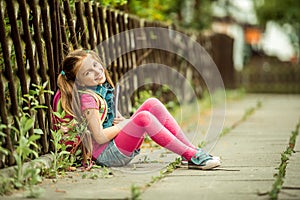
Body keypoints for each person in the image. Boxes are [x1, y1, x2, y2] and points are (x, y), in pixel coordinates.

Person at [53, 49, 221, 170]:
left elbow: (108, 120)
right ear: (79, 81)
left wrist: (120, 121)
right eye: (88, 72)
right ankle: (193, 156)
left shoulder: (99, 90)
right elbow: (99, 136)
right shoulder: (87, 98)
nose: (97, 72)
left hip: (113, 147)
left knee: (152, 103)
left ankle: (191, 152)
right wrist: (124, 125)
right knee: (143, 118)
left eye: (96, 65)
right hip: (106, 156)